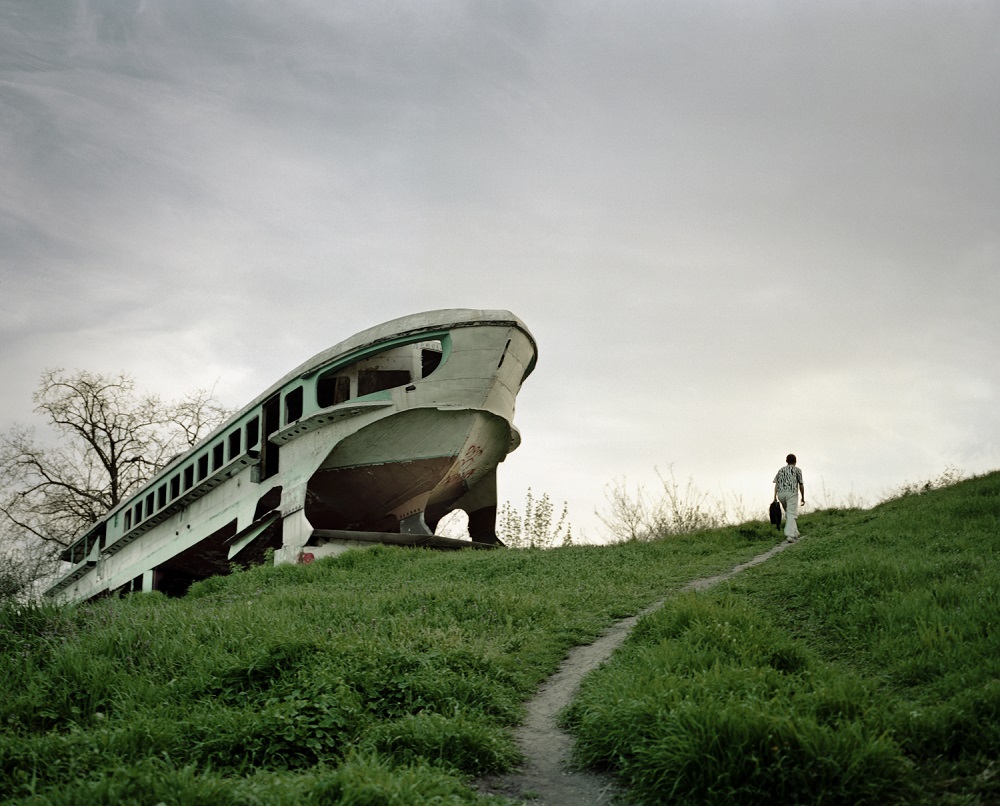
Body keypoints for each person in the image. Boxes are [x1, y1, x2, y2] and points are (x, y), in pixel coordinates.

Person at [773, 454, 805, 542]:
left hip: (781, 494)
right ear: (795, 461)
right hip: (791, 493)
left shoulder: (781, 470)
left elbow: (776, 484)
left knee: (789, 513)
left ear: (786, 461)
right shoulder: (797, 470)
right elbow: (801, 485)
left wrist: (774, 497)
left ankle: (795, 532)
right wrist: (803, 497)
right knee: (791, 513)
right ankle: (789, 535)